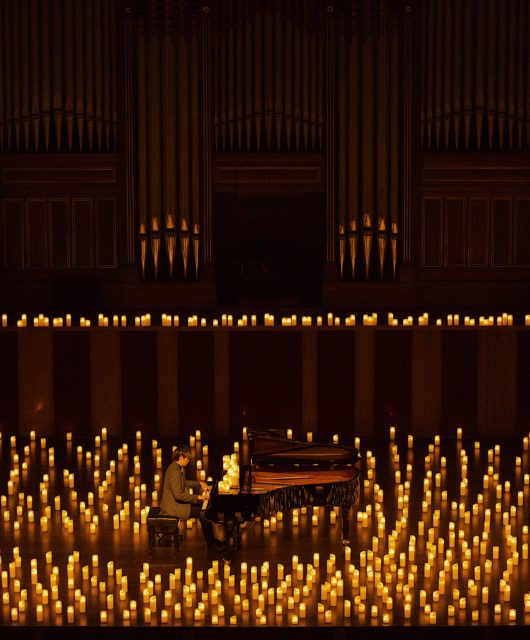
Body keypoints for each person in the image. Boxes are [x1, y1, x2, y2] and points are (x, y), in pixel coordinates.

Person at [159, 444, 223, 551]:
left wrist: (199, 484)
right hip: (173, 507)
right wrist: (198, 497)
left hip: (175, 503)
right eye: (187, 458)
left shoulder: (175, 467)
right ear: (180, 458)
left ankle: (212, 542)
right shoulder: (175, 471)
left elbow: (184, 483)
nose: (188, 460)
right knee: (204, 513)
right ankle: (212, 545)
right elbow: (179, 495)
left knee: (204, 508)